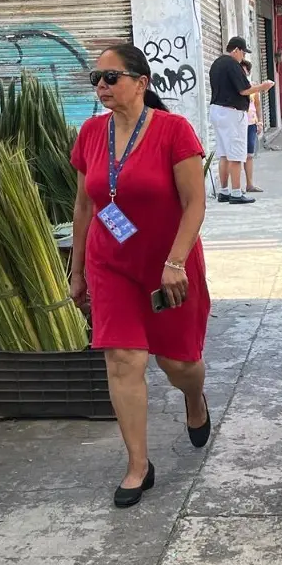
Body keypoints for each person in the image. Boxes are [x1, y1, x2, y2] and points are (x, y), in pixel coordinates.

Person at [69, 43, 212, 508]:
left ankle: (195, 398)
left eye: (111, 77)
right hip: (110, 264)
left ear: (141, 82)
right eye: (97, 78)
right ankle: (138, 466)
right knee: (123, 361)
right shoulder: (91, 133)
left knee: (178, 364)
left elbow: (195, 203)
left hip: (168, 266)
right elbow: (86, 205)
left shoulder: (173, 130)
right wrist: (77, 272)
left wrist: (174, 261)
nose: (101, 86)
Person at [209, 37, 273, 205]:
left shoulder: (217, 64)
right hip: (232, 112)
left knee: (223, 153)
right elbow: (244, 90)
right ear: (236, 50)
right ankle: (236, 192)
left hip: (216, 110)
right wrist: (262, 87)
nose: (243, 57)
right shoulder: (233, 65)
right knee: (236, 153)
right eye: (243, 53)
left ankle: (224, 191)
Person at [240, 59, 264, 193]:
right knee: (237, 155)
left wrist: (260, 121)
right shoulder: (235, 87)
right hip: (238, 124)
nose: (243, 74)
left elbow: (257, 105)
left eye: (245, 72)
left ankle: (249, 184)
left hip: (251, 123)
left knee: (249, 155)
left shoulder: (253, 87)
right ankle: (237, 186)